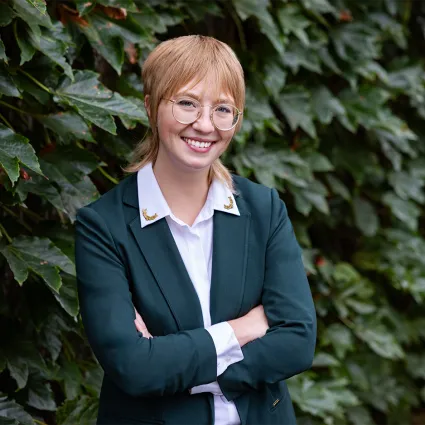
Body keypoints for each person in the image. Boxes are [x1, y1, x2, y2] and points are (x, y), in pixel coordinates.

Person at [75, 35, 316, 425]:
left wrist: (173, 366)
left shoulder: (264, 209)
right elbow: (133, 367)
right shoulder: (103, 226)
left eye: (223, 109)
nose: (205, 125)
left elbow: (298, 343)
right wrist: (242, 330)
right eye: (186, 103)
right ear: (150, 106)